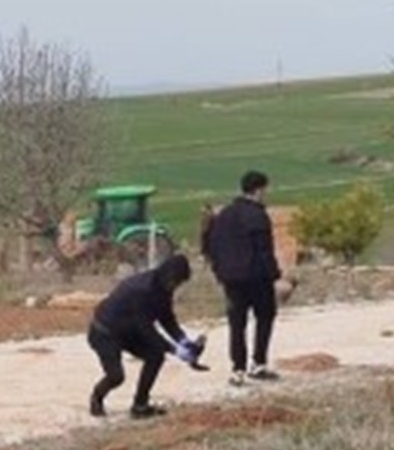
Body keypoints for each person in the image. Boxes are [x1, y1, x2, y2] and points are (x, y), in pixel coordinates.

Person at [87, 254, 202, 419]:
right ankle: (96, 398)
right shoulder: (141, 290)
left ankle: (140, 405)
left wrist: (185, 342)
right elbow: (146, 330)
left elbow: (167, 319)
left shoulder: (163, 288)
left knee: (155, 356)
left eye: (178, 283)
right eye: (175, 281)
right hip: (105, 332)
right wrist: (176, 351)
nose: (175, 286)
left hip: (129, 331)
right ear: (167, 274)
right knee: (116, 376)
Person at [204, 170, 282, 386]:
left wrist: (220, 272)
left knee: (237, 324)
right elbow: (264, 250)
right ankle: (258, 364)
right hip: (257, 278)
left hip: (231, 279)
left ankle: (237, 369)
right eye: (266, 189)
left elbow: (211, 246)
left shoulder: (224, 215)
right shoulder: (258, 216)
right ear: (259, 189)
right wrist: (275, 275)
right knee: (265, 317)